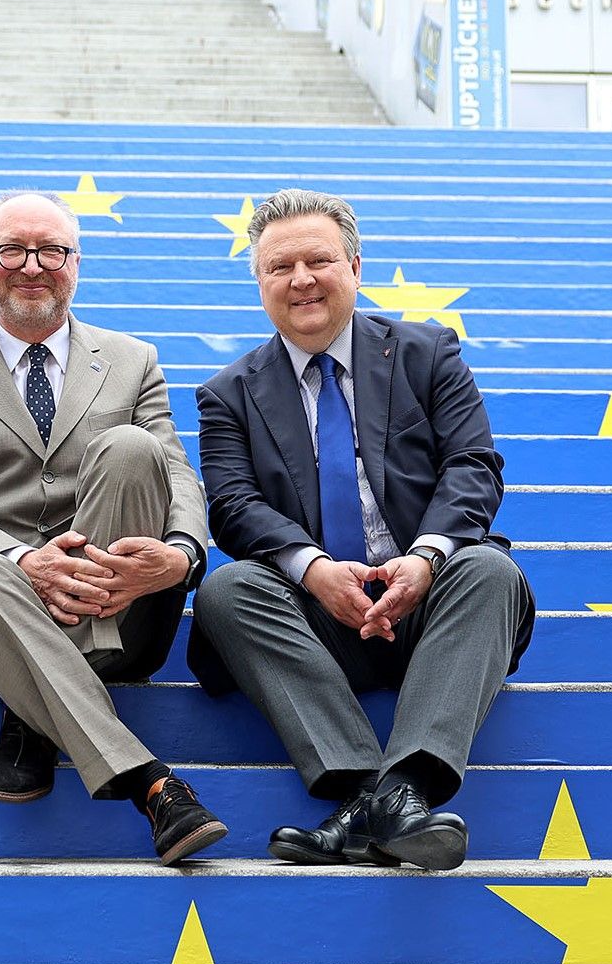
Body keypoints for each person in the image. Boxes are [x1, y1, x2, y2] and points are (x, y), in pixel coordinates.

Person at [189, 189, 533, 872]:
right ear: (259, 282)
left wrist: (427, 560)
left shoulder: (427, 353)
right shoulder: (227, 393)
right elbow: (230, 505)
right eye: (279, 267)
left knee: (489, 570)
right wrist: (315, 571)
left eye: (318, 260)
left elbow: (473, 466)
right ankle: (367, 792)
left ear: (354, 265)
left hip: (432, 610)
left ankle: (396, 793)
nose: (301, 280)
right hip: (314, 623)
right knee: (227, 590)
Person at [0, 189, 226, 865]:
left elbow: (177, 474)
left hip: (115, 605)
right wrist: (23, 561)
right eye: (12, 249)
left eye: (51, 250)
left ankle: (32, 716)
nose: (32, 265)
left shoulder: (134, 360)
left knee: (134, 449)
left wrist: (184, 554)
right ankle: (150, 782)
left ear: (77, 262)